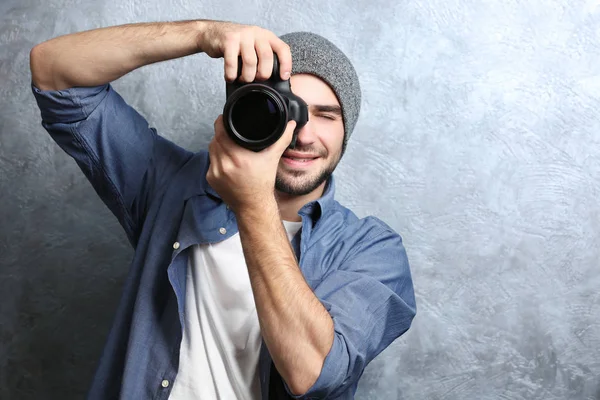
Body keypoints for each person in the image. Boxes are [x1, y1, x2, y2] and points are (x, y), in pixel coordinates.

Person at [29, 19, 416, 400]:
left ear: (346, 130)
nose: (302, 133)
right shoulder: (174, 186)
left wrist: (253, 201)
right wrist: (200, 34)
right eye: (289, 109)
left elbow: (311, 373)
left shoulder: (373, 250)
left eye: (326, 115)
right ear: (255, 112)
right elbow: (54, 70)